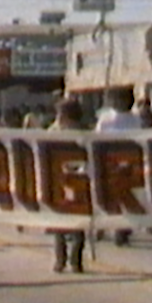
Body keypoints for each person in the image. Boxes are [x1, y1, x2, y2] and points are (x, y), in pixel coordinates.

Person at [95, 87, 142, 246]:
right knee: (112, 199)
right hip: (110, 163)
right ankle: (110, 226)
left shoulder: (136, 119)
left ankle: (122, 230)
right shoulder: (106, 119)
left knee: (127, 199)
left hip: (129, 164)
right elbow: (98, 139)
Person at [47, 98, 87, 273]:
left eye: (61, 113)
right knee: (59, 221)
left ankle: (75, 260)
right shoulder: (53, 130)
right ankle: (60, 259)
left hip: (77, 178)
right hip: (59, 178)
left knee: (79, 221)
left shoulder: (82, 133)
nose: (58, 116)